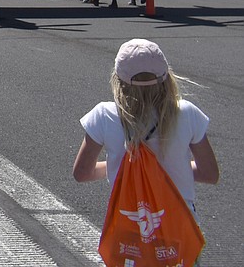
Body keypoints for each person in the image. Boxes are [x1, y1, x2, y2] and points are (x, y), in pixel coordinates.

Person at [72, 38, 219, 221]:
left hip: (129, 225)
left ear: (118, 78)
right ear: (166, 76)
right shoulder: (187, 112)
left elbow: (82, 173)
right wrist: (167, 168)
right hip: (179, 228)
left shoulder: (103, 114)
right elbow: (209, 173)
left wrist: (118, 167)